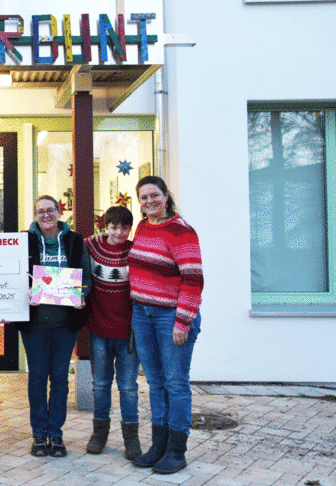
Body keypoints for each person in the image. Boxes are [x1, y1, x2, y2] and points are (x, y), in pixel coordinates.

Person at [128, 176, 203, 475]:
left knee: (175, 383)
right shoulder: (143, 226)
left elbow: (193, 280)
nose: (149, 202)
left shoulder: (181, 231)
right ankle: (158, 446)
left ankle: (176, 451)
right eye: (143, 197)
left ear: (166, 195)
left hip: (170, 317)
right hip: (142, 314)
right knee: (156, 382)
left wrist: (183, 322)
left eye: (154, 195)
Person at [19, 195, 92, 458]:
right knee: (38, 377)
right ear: (35, 215)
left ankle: (57, 434)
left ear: (59, 212)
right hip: (35, 324)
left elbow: (85, 275)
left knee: (60, 378)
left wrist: (81, 295)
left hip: (65, 324)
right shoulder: (24, 241)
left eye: (50, 210)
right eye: (40, 211)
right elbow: (15, 275)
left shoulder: (74, 240)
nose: (46, 215)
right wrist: (23, 293)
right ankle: (39, 434)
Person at [84, 206, 142, 460]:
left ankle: (131, 438)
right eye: (113, 226)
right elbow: (66, 245)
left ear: (130, 228)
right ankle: (99, 434)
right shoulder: (91, 246)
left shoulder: (136, 251)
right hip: (98, 330)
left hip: (128, 334)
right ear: (105, 226)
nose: (119, 232)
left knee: (128, 387)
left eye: (124, 227)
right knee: (100, 385)